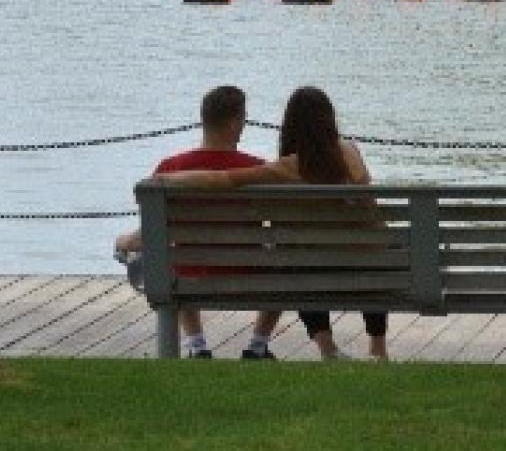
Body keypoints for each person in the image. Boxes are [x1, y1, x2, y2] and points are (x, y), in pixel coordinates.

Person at [158, 85, 389, 362]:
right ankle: (378, 348)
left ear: (290, 126)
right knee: (368, 253)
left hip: (314, 274)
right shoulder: (351, 152)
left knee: (295, 266)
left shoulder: (286, 169)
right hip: (375, 270)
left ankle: (328, 350)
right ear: (329, 121)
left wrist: (164, 180)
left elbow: (222, 179)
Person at [115, 84, 280, 360]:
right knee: (284, 261)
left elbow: (150, 232)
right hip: (250, 273)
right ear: (233, 123)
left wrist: (121, 243)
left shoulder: (170, 169)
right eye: (243, 119)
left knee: (166, 255)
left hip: (187, 274)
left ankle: (197, 345)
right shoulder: (259, 169)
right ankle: (257, 346)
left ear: (204, 120)